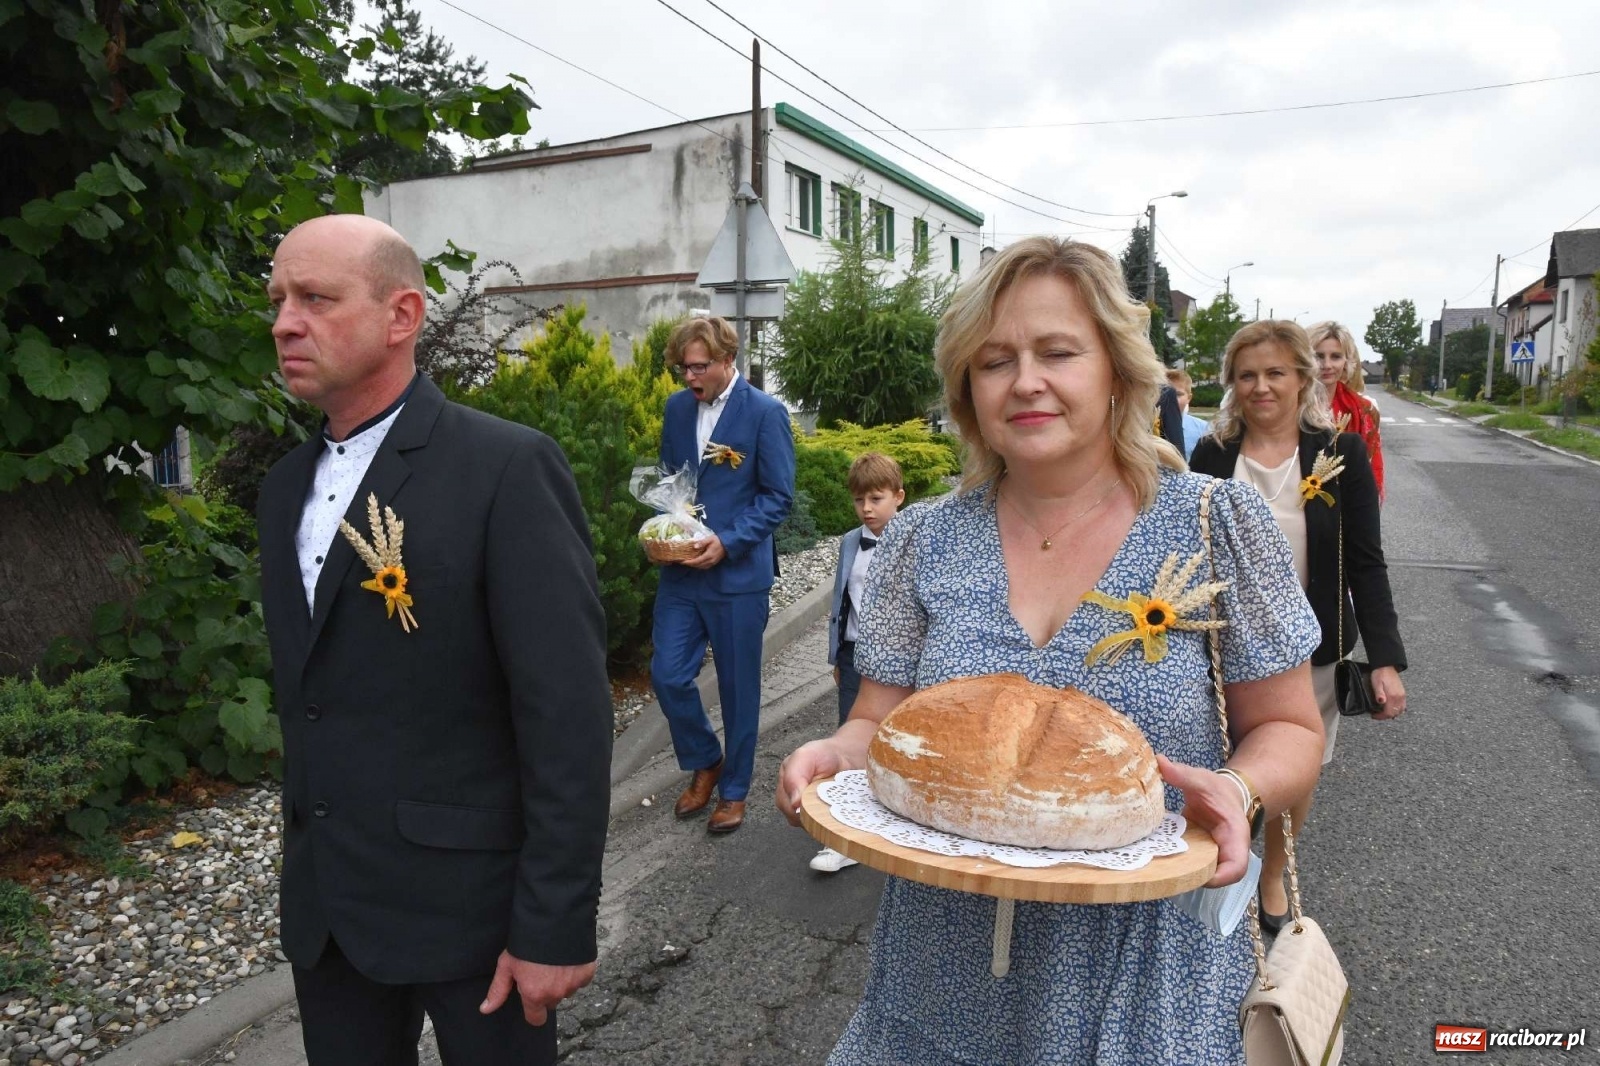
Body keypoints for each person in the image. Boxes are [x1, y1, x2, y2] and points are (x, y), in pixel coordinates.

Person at [775, 238, 1326, 1063]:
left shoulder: (1216, 524)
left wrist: (1239, 785)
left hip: (1145, 973)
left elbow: (1292, 728)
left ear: (1115, 370)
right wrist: (833, 753)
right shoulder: (922, 538)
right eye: (995, 361)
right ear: (969, 388)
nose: (1025, 380)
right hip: (942, 969)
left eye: (1058, 352)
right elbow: (877, 723)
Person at [256, 215, 611, 1066]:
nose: (283, 323)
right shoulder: (282, 490)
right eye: (276, 300)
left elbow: (565, 712)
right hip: (331, 916)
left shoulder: (504, 469)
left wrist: (555, 922)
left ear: (402, 315)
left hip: (476, 916)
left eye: (315, 298)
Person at [1190, 319, 1407, 932]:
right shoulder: (1211, 454)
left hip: (1310, 647)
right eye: (1248, 374)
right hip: (1216, 643)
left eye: (1276, 373)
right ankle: (1208, 870)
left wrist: (1385, 657)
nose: (1262, 387)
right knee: (1217, 763)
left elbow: (1365, 559)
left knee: (1292, 764)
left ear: (1302, 379)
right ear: (1232, 383)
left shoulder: (1340, 453)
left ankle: (1273, 871)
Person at [651, 316, 795, 835]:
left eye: (699, 366)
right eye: (683, 368)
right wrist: (665, 529)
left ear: (727, 359)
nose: (690, 377)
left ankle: (734, 790)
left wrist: (728, 541)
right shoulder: (674, 409)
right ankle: (705, 759)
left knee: (738, 690)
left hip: (738, 576)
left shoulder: (765, 414)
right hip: (682, 574)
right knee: (666, 674)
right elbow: (673, 480)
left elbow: (778, 497)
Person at [811, 452, 906, 874]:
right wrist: (837, 654)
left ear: (898, 497)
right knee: (850, 734)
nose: (866, 509)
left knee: (902, 737)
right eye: (859, 501)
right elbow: (840, 601)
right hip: (856, 655)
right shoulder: (852, 541)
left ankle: (902, 822)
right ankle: (847, 836)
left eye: (876, 498)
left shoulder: (915, 541)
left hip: (902, 661)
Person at [1307, 320, 1385, 502]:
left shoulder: (1365, 409)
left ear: (1346, 361)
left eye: (1335, 356)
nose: (1327, 365)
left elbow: (1373, 466)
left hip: (1348, 504)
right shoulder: (1288, 406)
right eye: (1318, 356)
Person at [1166, 367, 1209, 459]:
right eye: (1164, 393)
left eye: (1178, 395)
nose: (1171, 399)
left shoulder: (1203, 429)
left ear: (1189, 398)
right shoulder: (1146, 428)